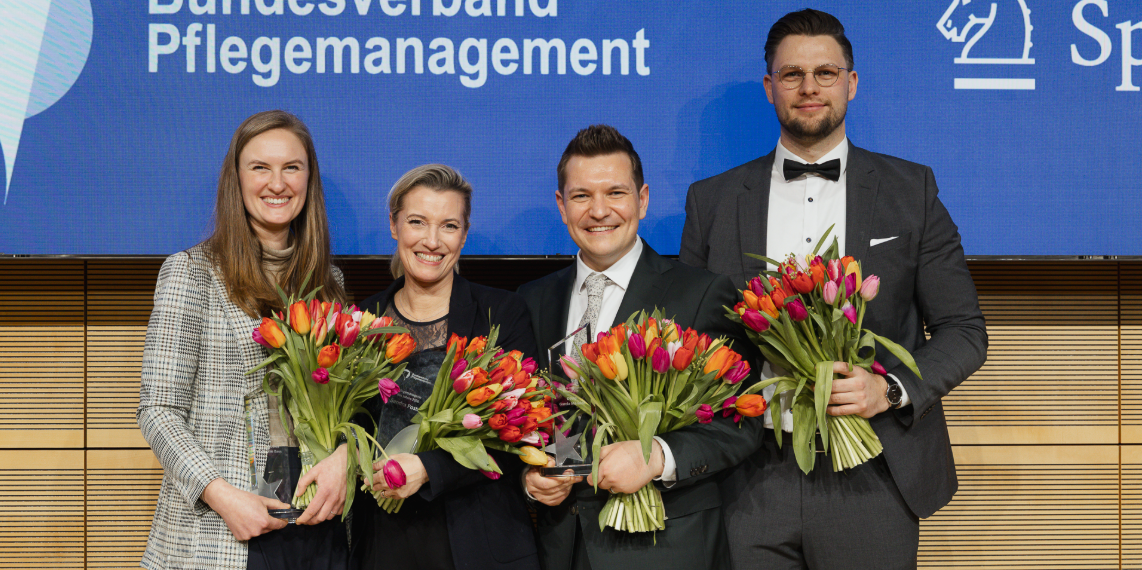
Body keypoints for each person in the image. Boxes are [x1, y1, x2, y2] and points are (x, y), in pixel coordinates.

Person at [680, 9, 989, 568]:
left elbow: (964, 332)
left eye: (825, 72)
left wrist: (889, 388)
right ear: (770, 87)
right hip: (749, 475)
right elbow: (693, 340)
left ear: (851, 82)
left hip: (872, 468)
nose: (809, 88)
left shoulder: (910, 190)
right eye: (792, 74)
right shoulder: (713, 201)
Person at [516, 125, 764, 570]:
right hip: (560, 546)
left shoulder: (701, 293)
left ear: (643, 200)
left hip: (667, 545)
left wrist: (658, 457)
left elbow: (742, 421)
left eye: (615, 192)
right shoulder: (532, 301)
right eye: (580, 196)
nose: (599, 211)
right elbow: (534, 417)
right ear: (561, 206)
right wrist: (535, 475)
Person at [138, 110, 353, 570]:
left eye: (291, 168)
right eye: (260, 168)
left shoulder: (329, 282)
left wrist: (343, 456)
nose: (277, 183)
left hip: (318, 526)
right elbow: (158, 410)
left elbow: (341, 406)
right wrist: (221, 496)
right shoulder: (191, 273)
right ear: (236, 179)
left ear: (308, 180)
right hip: (226, 528)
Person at [353, 164, 541, 570]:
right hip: (383, 545)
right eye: (417, 222)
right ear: (394, 225)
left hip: (481, 542)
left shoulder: (502, 314)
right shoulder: (362, 320)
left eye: (449, 226)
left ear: (465, 234)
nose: (432, 241)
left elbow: (517, 432)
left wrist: (427, 468)